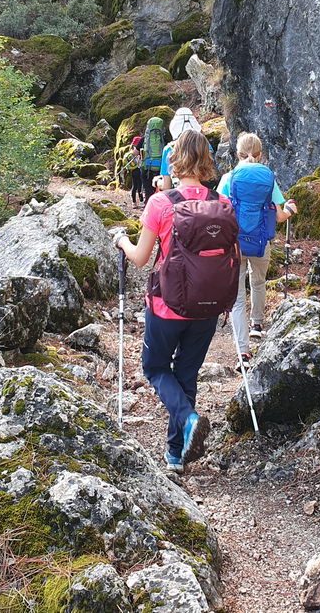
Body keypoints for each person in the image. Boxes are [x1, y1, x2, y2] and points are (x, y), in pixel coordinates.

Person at [113, 130, 240, 473]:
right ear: (207, 159)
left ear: (175, 158)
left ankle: (188, 420)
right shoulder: (223, 203)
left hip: (167, 304)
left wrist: (122, 241)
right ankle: (176, 454)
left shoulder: (161, 203)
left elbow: (141, 258)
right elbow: (233, 255)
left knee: (155, 368)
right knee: (186, 373)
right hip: (208, 305)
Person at [217, 132, 297, 363]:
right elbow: (279, 216)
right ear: (261, 155)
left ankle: (242, 349)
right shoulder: (268, 179)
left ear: (237, 154)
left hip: (235, 243)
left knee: (238, 296)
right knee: (258, 282)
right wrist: (290, 209)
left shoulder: (229, 178)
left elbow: (218, 211)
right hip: (261, 242)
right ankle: (257, 324)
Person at [158, 108, 216, 191]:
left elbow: (166, 186)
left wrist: (157, 182)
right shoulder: (206, 146)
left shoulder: (169, 149)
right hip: (206, 193)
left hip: (179, 195)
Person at [120, 136, 145, 206]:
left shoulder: (131, 153)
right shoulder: (137, 153)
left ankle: (134, 202)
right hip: (138, 170)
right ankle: (141, 201)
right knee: (139, 186)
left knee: (135, 186)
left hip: (134, 171)